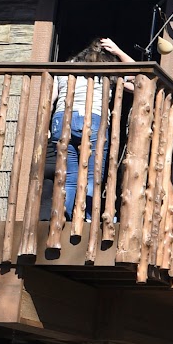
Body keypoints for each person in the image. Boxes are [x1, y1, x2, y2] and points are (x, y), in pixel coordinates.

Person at [51, 36, 134, 221]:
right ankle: (88, 217)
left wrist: (47, 127)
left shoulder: (65, 68)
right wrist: (118, 51)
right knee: (92, 174)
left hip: (61, 119)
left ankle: (64, 217)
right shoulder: (109, 70)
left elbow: (51, 98)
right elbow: (140, 76)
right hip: (93, 119)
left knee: (68, 176)